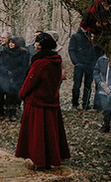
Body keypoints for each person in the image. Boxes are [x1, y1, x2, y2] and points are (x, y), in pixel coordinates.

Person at [15, 33, 70, 169]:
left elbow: (31, 81)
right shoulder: (56, 61)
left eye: (37, 42)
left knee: (38, 132)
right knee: (50, 132)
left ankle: (38, 159)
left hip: (37, 101)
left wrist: (22, 94)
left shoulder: (41, 63)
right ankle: (50, 158)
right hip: (51, 99)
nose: (35, 45)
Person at [0, 36, 30, 121]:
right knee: (6, 95)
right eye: (10, 43)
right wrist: (7, 71)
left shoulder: (22, 53)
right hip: (6, 76)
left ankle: (13, 113)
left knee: (14, 96)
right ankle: (7, 113)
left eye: (13, 43)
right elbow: (1, 64)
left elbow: (24, 65)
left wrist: (15, 72)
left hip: (17, 77)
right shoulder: (4, 52)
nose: (11, 45)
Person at [68, 25, 97, 109]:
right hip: (79, 64)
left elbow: (94, 50)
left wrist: (93, 62)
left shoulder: (91, 36)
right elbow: (71, 50)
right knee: (77, 85)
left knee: (88, 85)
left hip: (90, 64)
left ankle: (86, 103)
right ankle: (75, 103)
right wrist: (76, 63)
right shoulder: (75, 36)